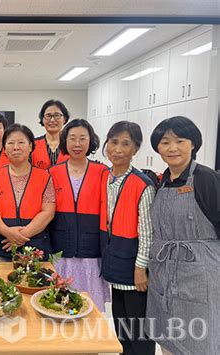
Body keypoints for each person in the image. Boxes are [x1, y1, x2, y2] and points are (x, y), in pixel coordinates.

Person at [146, 116, 220, 355]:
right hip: (163, 274)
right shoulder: (162, 181)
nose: (172, 148)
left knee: (199, 341)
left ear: (193, 144)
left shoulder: (206, 179)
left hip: (199, 275)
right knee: (167, 338)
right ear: (157, 147)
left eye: (180, 140)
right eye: (165, 142)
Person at [99, 121, 156, 354]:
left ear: (136, 149)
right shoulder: (106, 177)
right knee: (122, 328)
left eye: (126, 144)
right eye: (114, 142)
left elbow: (148, 232)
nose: (118, 149)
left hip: (134, 267)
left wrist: (140, 268)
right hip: (116, 262)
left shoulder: (143, 184)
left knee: (139, 332)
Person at [49, 119, 110, 312]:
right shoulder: (52, 172)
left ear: (90, 141)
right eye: (72, 138)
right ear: (65, 141)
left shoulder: (102, 172)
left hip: (90, 250)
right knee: (57, 304)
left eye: (82, 139)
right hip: (61, 248)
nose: (77, 144)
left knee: (90, 308)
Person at [0, 124, 55, 261]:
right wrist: (7, 232)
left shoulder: (45, 177)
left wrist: (20, 236)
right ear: (4, 149)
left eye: (21, 142)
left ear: (30, 147)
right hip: (1, 245)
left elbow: (48, 212)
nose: (16, 147)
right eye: (10, 143)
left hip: (35, 247)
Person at [32, 99, 70, 170]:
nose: (52, 120)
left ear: (64, 119)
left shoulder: (71, 144)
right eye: (48, 116)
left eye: (57, 115)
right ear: (42, 119)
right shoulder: (33, 145)